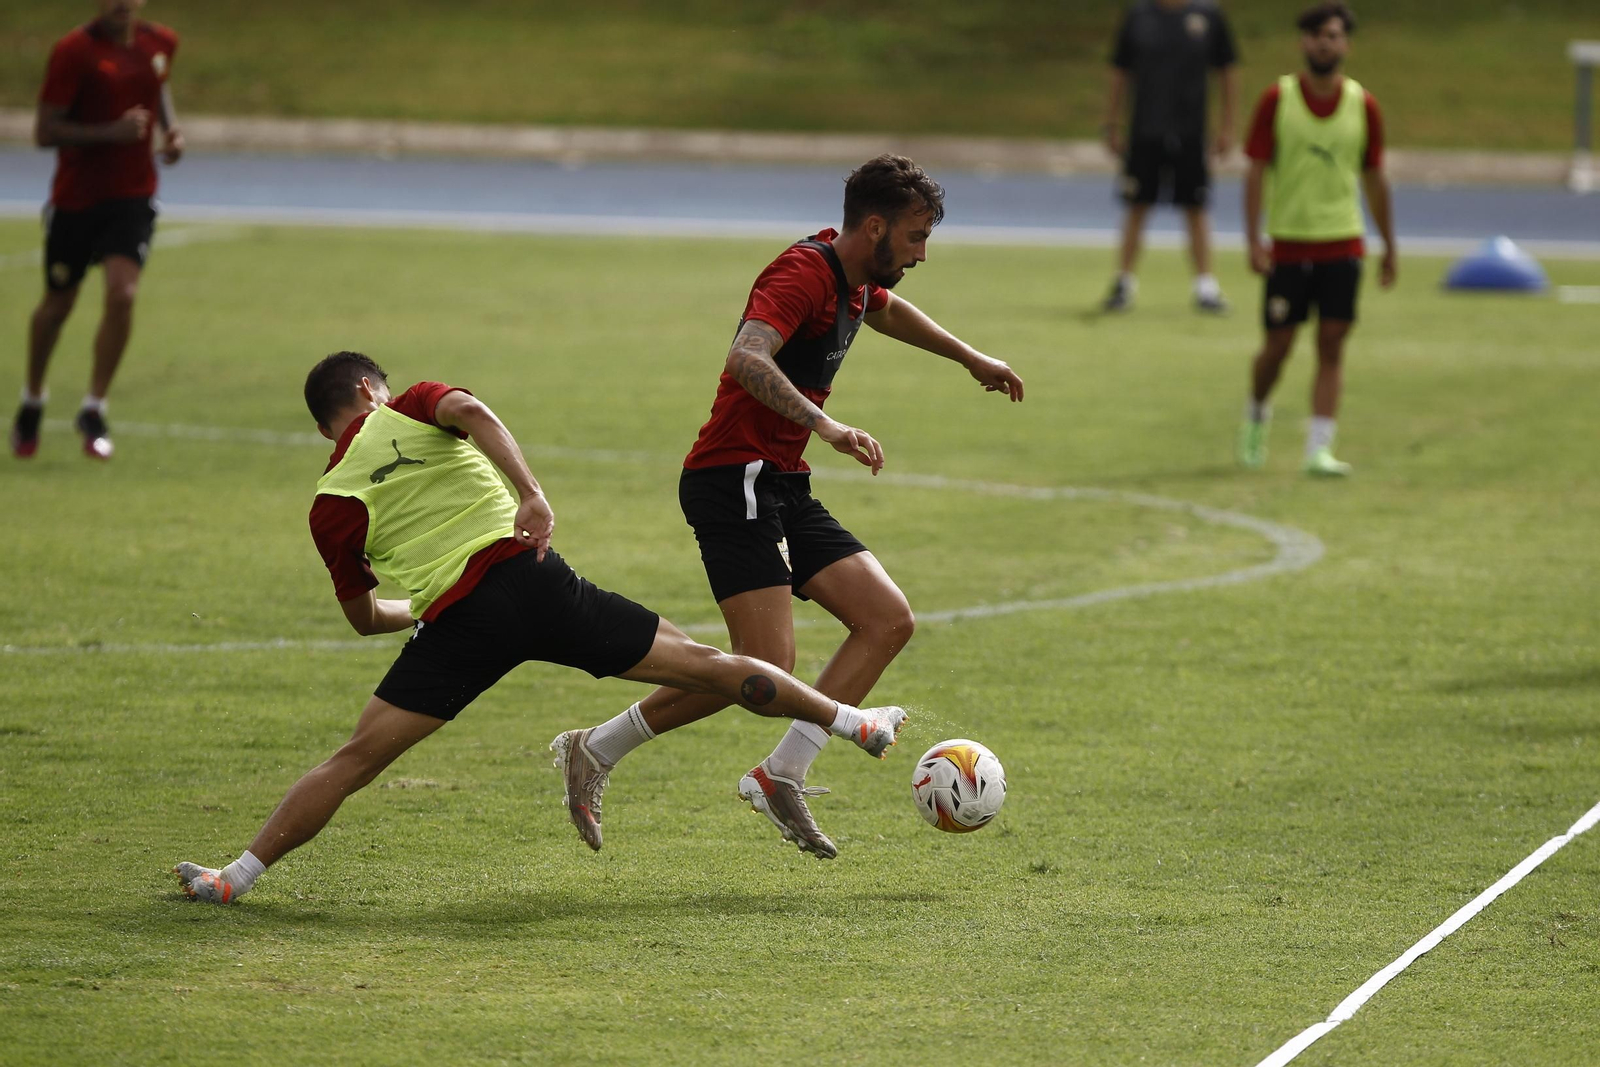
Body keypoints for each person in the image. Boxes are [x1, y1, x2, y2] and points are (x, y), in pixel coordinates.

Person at [172, 352, 908, 903]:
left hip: (459, 626)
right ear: (371, 389)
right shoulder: (411, 405)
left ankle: (234, 876)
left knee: (356, 757)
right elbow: (478, 414)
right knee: (714, 665)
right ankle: (850, 721)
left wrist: (422, 607)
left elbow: (365, 617)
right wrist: (532, 493)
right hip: (535, 580)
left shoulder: (329, 504)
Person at [556, 155, 1025, 861]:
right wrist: (826, 424)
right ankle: (594, 748)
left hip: (780, 480)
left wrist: (969, 357)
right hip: (732, 478)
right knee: (763, 663)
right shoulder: (801, 274)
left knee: (886, 619)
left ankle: (781, 774)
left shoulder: (858, 280)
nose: (923, 252)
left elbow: (884, 310)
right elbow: (748, 356)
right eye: (917, 236)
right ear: (875, 227)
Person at [10, 0, 183, 461]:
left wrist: (171, 130)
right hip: (77, 200)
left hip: (132, 197)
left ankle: (94, 407)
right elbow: (44, 132)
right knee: (57, 305)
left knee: (123, 294)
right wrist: (114, 132)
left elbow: (159, 85)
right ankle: (32, 400)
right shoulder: (73, 51)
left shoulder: (159, 42)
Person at [1236, 2, 1396, 477]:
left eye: (1332, 35)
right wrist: (1253, 239)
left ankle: (1318, 448)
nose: (1324, 43)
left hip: (1342, 242)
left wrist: (1389, 244)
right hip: (1288, 244)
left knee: (1332, 344)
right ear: (1303, 42)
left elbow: (1374, 177)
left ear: (1345, 43)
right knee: (1278, 348)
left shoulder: (1363, 105)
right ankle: (1255, 417)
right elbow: (1255, 171)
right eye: (1315, 35)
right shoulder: (1276, 100)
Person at [1102, 0, 1239, 314]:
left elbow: (1227, 69)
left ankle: (1206, 286)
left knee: (1196, 204)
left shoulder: (1208, 16)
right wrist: (1111, 123)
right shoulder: (1138, 16)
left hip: (1191, 130)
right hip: (1145, 129)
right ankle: (1123, 283)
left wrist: (1228, 125)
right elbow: (1119, 70)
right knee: (1136, 204)